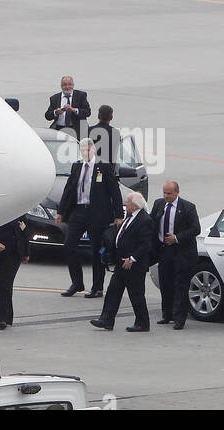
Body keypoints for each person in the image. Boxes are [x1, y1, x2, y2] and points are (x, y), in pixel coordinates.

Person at [56, 139, 124, 298]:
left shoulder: (104, 167)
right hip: (79, 211)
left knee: (97, 250)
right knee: (69, 245)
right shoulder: (77, 166)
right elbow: (69, 190)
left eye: (88, 150)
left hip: (97, 214)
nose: (85, 153)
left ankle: (97, 287)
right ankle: (77, 283)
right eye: (83, 150)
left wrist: (118, 215)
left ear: (94, 150)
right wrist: (61, 212)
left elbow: (115, 192)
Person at [90, 192, 155, 332]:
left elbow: (145, 245)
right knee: (113, 291)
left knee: (136, 294)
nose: (126, 204)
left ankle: (143, 323)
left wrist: (132, 258)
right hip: (121, 263)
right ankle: (106, 319)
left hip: (134, 265)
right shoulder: (129, 217)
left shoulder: (145, 220)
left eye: (128, 202)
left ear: (135, 205)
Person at [150, 181, 201, 329]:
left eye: (169, 193)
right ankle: (167, 314)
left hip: (182, 252)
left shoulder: (188, 207)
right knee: (165, 283)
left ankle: (179, 318)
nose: (166, 196)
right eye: (164, 193)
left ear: (177, 192)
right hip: (164, 250)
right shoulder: (159, 204)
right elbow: (152, 223)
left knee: (180, 285)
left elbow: (195, 229)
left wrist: (177, 238)